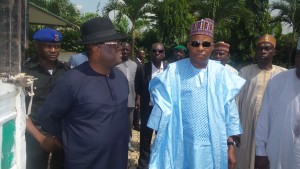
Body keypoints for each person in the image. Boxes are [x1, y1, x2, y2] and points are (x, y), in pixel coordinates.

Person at [147, 18, 245, 169]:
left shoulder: (221, 74)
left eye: (206, 44)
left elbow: (230, 112)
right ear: (188, 46)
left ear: (212, 47)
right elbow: (162, 108)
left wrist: (231, 145)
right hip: (180, 143)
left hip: (212, 146)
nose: (200, 48)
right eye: (195, 43)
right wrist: (158, 142)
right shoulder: (173, 71)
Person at [37, 17, 129, 169]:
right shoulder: (72, 81)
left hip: (117, 161)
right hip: (85, 163)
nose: (121, 48)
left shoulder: (120, 78)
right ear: (96, 49)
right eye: (115, 44)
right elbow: (47, 117)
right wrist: (71, 137)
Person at [235, 34, 287, 169]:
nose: (263, 51)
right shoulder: (245, 72)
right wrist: (235, 130)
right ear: (256, 51)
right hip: (247, 126)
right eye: (260, 48)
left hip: (273, 128)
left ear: (274, 52)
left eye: (267, 48)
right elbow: (236, 102)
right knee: (245, 160)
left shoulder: (283, 74)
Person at [23, 28, 69, 169]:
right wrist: (41, 138)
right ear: (37, 46)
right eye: (48, 46)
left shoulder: (66, 71)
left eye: (56, 46)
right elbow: (20, 110)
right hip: (35, 135)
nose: (54, 50)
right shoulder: (25, 72)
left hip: (62, 134)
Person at [255, 37, 300, 169]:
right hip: (277, 153)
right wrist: (260, 152)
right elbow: (264, 119)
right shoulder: (278, 81)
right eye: (299, 55)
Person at [135, 42, 168, 169]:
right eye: (154, 51)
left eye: (160, 51)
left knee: (161, 137)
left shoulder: (168, 68)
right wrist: (138, 99)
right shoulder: (142, 68)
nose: (157, 53)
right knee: (145, 138)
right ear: (150, 53)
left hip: (163, 110)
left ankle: (160, 163)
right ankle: (143, 164)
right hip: (148, 109)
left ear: (164, 53)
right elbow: (138, 87)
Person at [116, 42, 137, 152]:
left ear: (130, 51)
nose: (125, 51)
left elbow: (136, 83)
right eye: (123, 49)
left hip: (130, 99)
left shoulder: (134, 65)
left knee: (129, 123)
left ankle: (128, 142)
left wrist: (138, 98)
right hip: (117, 100)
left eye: (127, 50)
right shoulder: (114, 64)